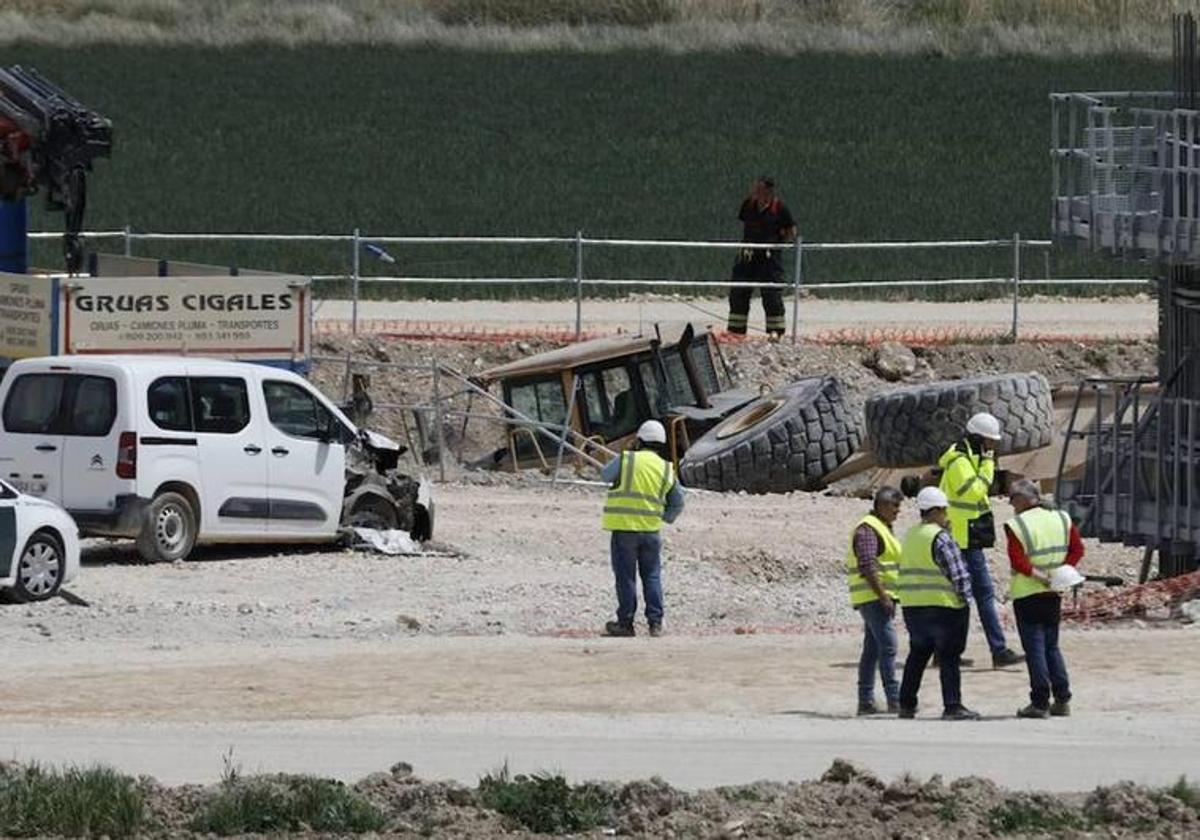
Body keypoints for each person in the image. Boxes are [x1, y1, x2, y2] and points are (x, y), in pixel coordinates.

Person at [937, 411, 1024, 669]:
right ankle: (997, 651)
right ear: (977, 439)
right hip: (961, 538)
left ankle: (945, 652)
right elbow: (976, 492)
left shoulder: (967, 457)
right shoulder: (959, 461)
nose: (992, 448)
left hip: (968, 536)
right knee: (979, 595)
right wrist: (988, 466)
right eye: (989, 442)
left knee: (961, 597)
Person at [896, 486, 980, 721]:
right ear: (936, 511)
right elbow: (959, 574)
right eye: (944, 510)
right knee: (949, 657)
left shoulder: (911, 535)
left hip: (913, 607)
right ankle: (952, 706)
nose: (946, 515)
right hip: (944, 607)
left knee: (917, 655)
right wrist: (965, 600)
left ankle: (906, 704)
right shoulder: (941, 537)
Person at [1005, 479, 1083, 719]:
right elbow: (1077, 550)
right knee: (1051, 646)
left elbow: (1018, 561)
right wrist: (1061, 574)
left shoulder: (1017, 525)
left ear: (1021, 500)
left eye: (1012, 500)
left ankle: (1039, 702)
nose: (1011, 505)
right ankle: (1062, 698)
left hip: (1028, 593)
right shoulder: (1061, 518)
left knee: (1035, 648)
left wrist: (1042, 577)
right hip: (1053, 594)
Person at [599, 419, 685, 637]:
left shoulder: (627, 460)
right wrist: (664, 517)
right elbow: (678, 502)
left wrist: (626, 453)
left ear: (639, 440)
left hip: (625, 531)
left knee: (626, 577)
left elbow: (604, 475)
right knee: (652, 576)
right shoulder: (666, 468)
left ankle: (625, 624)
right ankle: (655, 624)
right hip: (651, 532)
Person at [847, 486, 904, 716]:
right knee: (888, 646)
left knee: (872, 650)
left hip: (879, 596)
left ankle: (866, 701)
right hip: (874, 597)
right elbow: (867, 566)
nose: (897, 512)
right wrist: (883, 596)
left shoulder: (882, 528)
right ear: (881, 505)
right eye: (895, 506)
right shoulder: (868, 530)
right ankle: (895, 699)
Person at [727, 176, 796, 340]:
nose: (756, 193)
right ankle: (736, 331)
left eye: (760, 190)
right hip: (748, 254)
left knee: (771, 292)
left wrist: (778, 242)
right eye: (755, 189)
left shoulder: (779, 208)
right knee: (739, 291)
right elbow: (745, 222)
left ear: (769, 191)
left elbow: (791, 231)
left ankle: (775, 331)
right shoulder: (748, 205)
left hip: (769, 257)